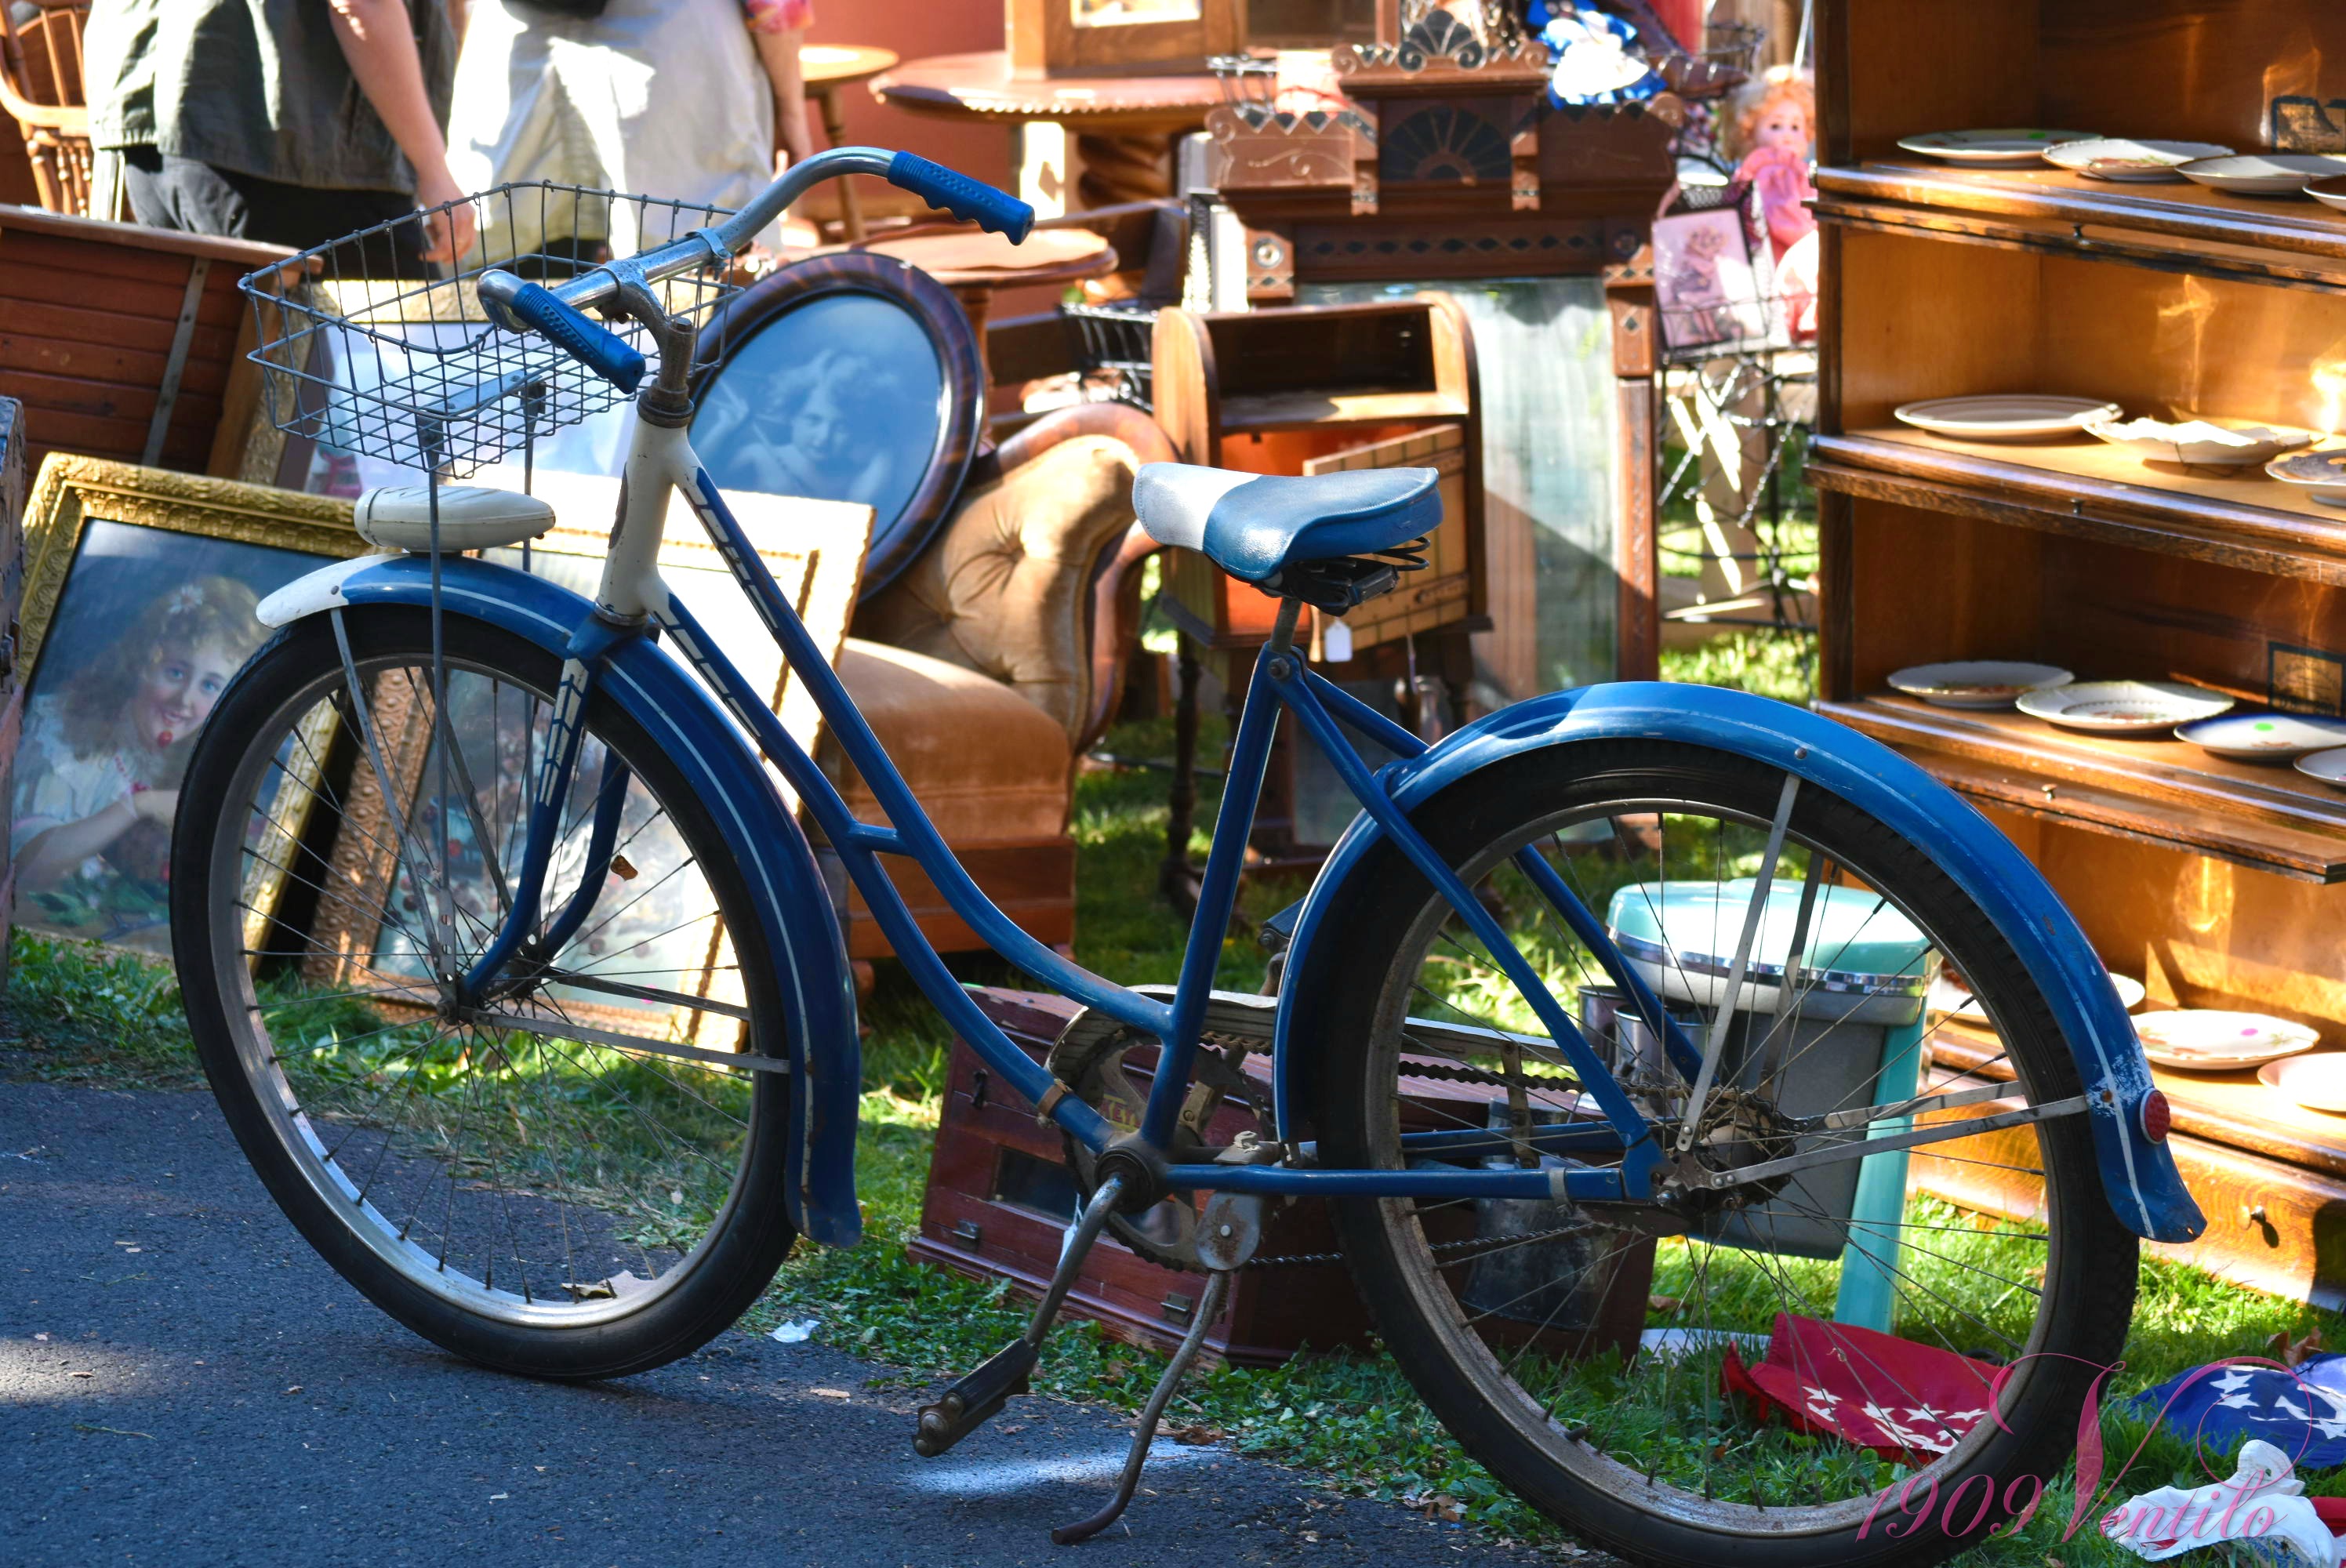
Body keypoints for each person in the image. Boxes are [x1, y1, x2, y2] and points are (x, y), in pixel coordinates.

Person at [82, 0, 474, 267]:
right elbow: (361, 6)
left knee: (212, 373)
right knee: (410, 367)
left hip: (149, 130)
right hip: (286, 148)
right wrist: (433, 169)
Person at [448, 0, 815, 263]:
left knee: (514, 271)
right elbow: (774, 7)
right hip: (674, 44)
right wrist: (791, 110)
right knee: (685, 274)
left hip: (509, 44)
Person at [12, 578, 265, 927]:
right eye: (176, 672)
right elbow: (26, 868)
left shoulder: (184, 759)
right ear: (142, 664)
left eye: (209, 685)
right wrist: (138, 806)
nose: (185, 700)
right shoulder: (65, 736)